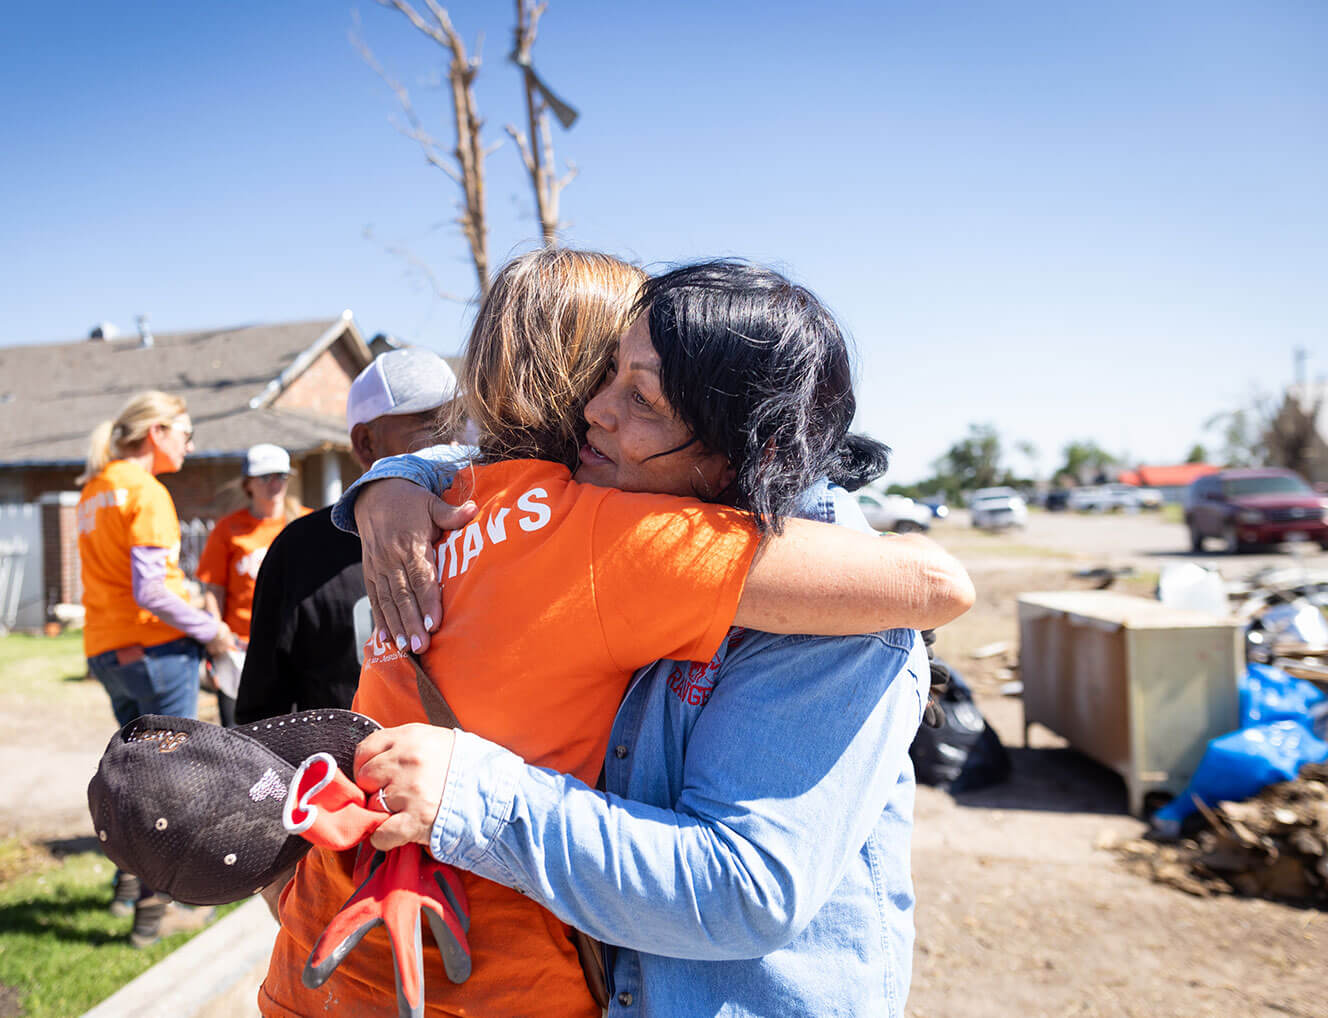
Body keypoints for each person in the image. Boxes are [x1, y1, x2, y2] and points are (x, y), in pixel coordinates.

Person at [256, 251, 973, 1018]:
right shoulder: (607, 516)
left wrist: (467, 790)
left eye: (643, 398)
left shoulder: (832, 612)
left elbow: (746, 892)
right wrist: (398, 479)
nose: (596, 409)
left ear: (748, 448)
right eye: (604, 375)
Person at [77, 389, 236, 946]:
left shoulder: (94, 491)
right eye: (186, 435)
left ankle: (127, 887)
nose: (191, 446)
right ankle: (156, 911)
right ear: (157, 434)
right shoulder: (147, 492)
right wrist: (210, 628)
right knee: (167, 783)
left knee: (132, 775)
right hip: (155, 650)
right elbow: (149, 590)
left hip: (107, 646)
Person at [232, 347, 458, 726]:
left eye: (459, 422)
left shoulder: (488, 516)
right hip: (353, 774)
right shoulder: (302, 550)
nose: (451, 444)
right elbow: (264, 713)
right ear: (365, 443)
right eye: (429, 428)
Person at [196, 443, 306, 727]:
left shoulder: (305, 522)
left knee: (292, 731)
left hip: (294, 647)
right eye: (265, 477)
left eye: (281, 476)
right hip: (240, 648)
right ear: (248, 484)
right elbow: (214, 587)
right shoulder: (228, 528)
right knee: (241, 732)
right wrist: (216, 634)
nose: (275, 484)